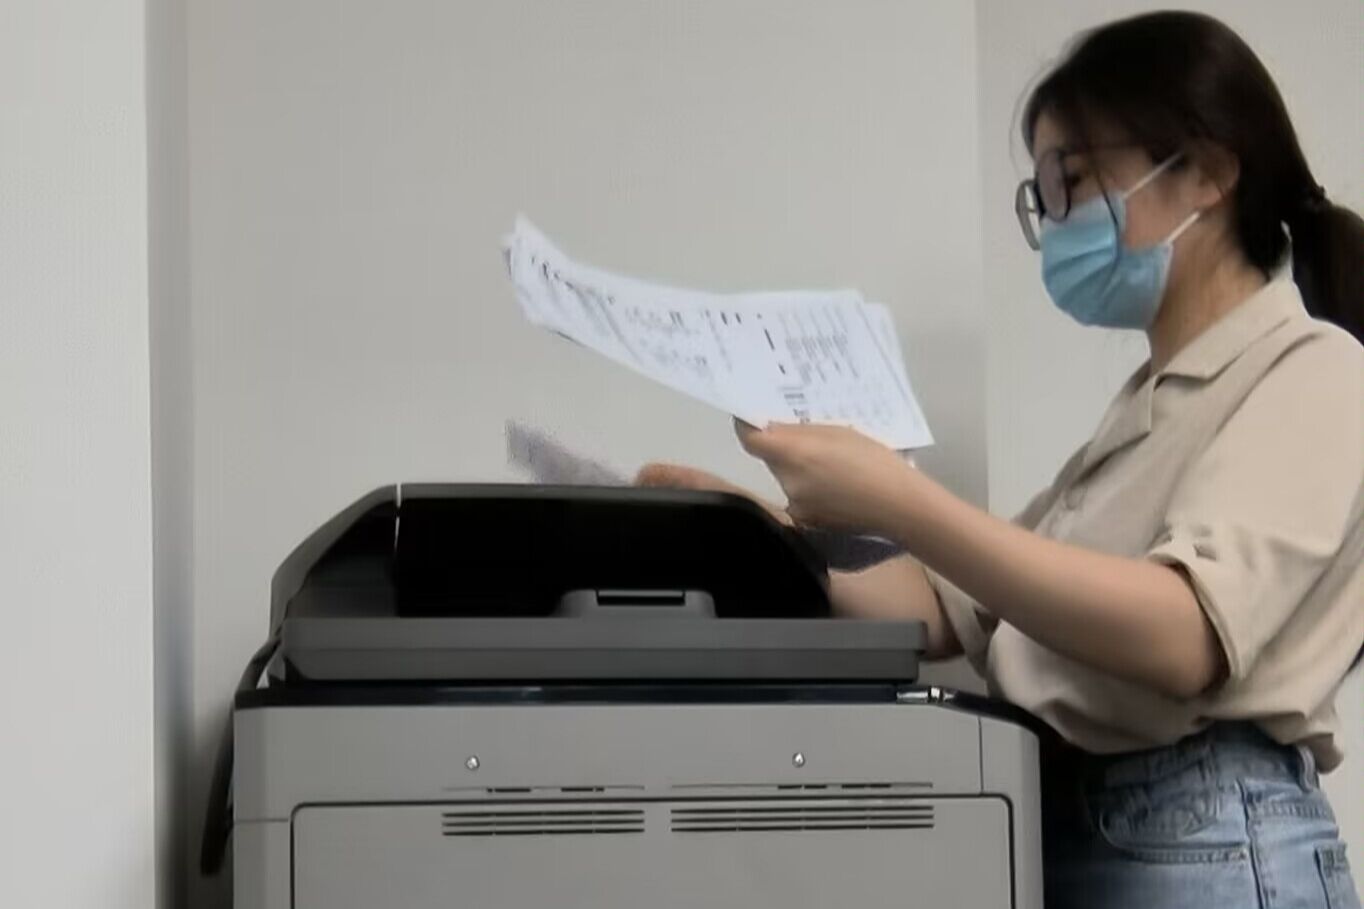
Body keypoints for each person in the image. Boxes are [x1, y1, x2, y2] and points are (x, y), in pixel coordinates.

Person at [637, 12, 1362, 909]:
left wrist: (899, 500)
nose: (1056, 222)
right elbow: (949, 612)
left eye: (1073, 181)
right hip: (1092, 821)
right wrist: (750, 529)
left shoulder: (1316, 370)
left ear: (1209, 172)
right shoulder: (1146, 412)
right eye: (1043, 195)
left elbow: (1182, 635)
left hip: (1201, 829)